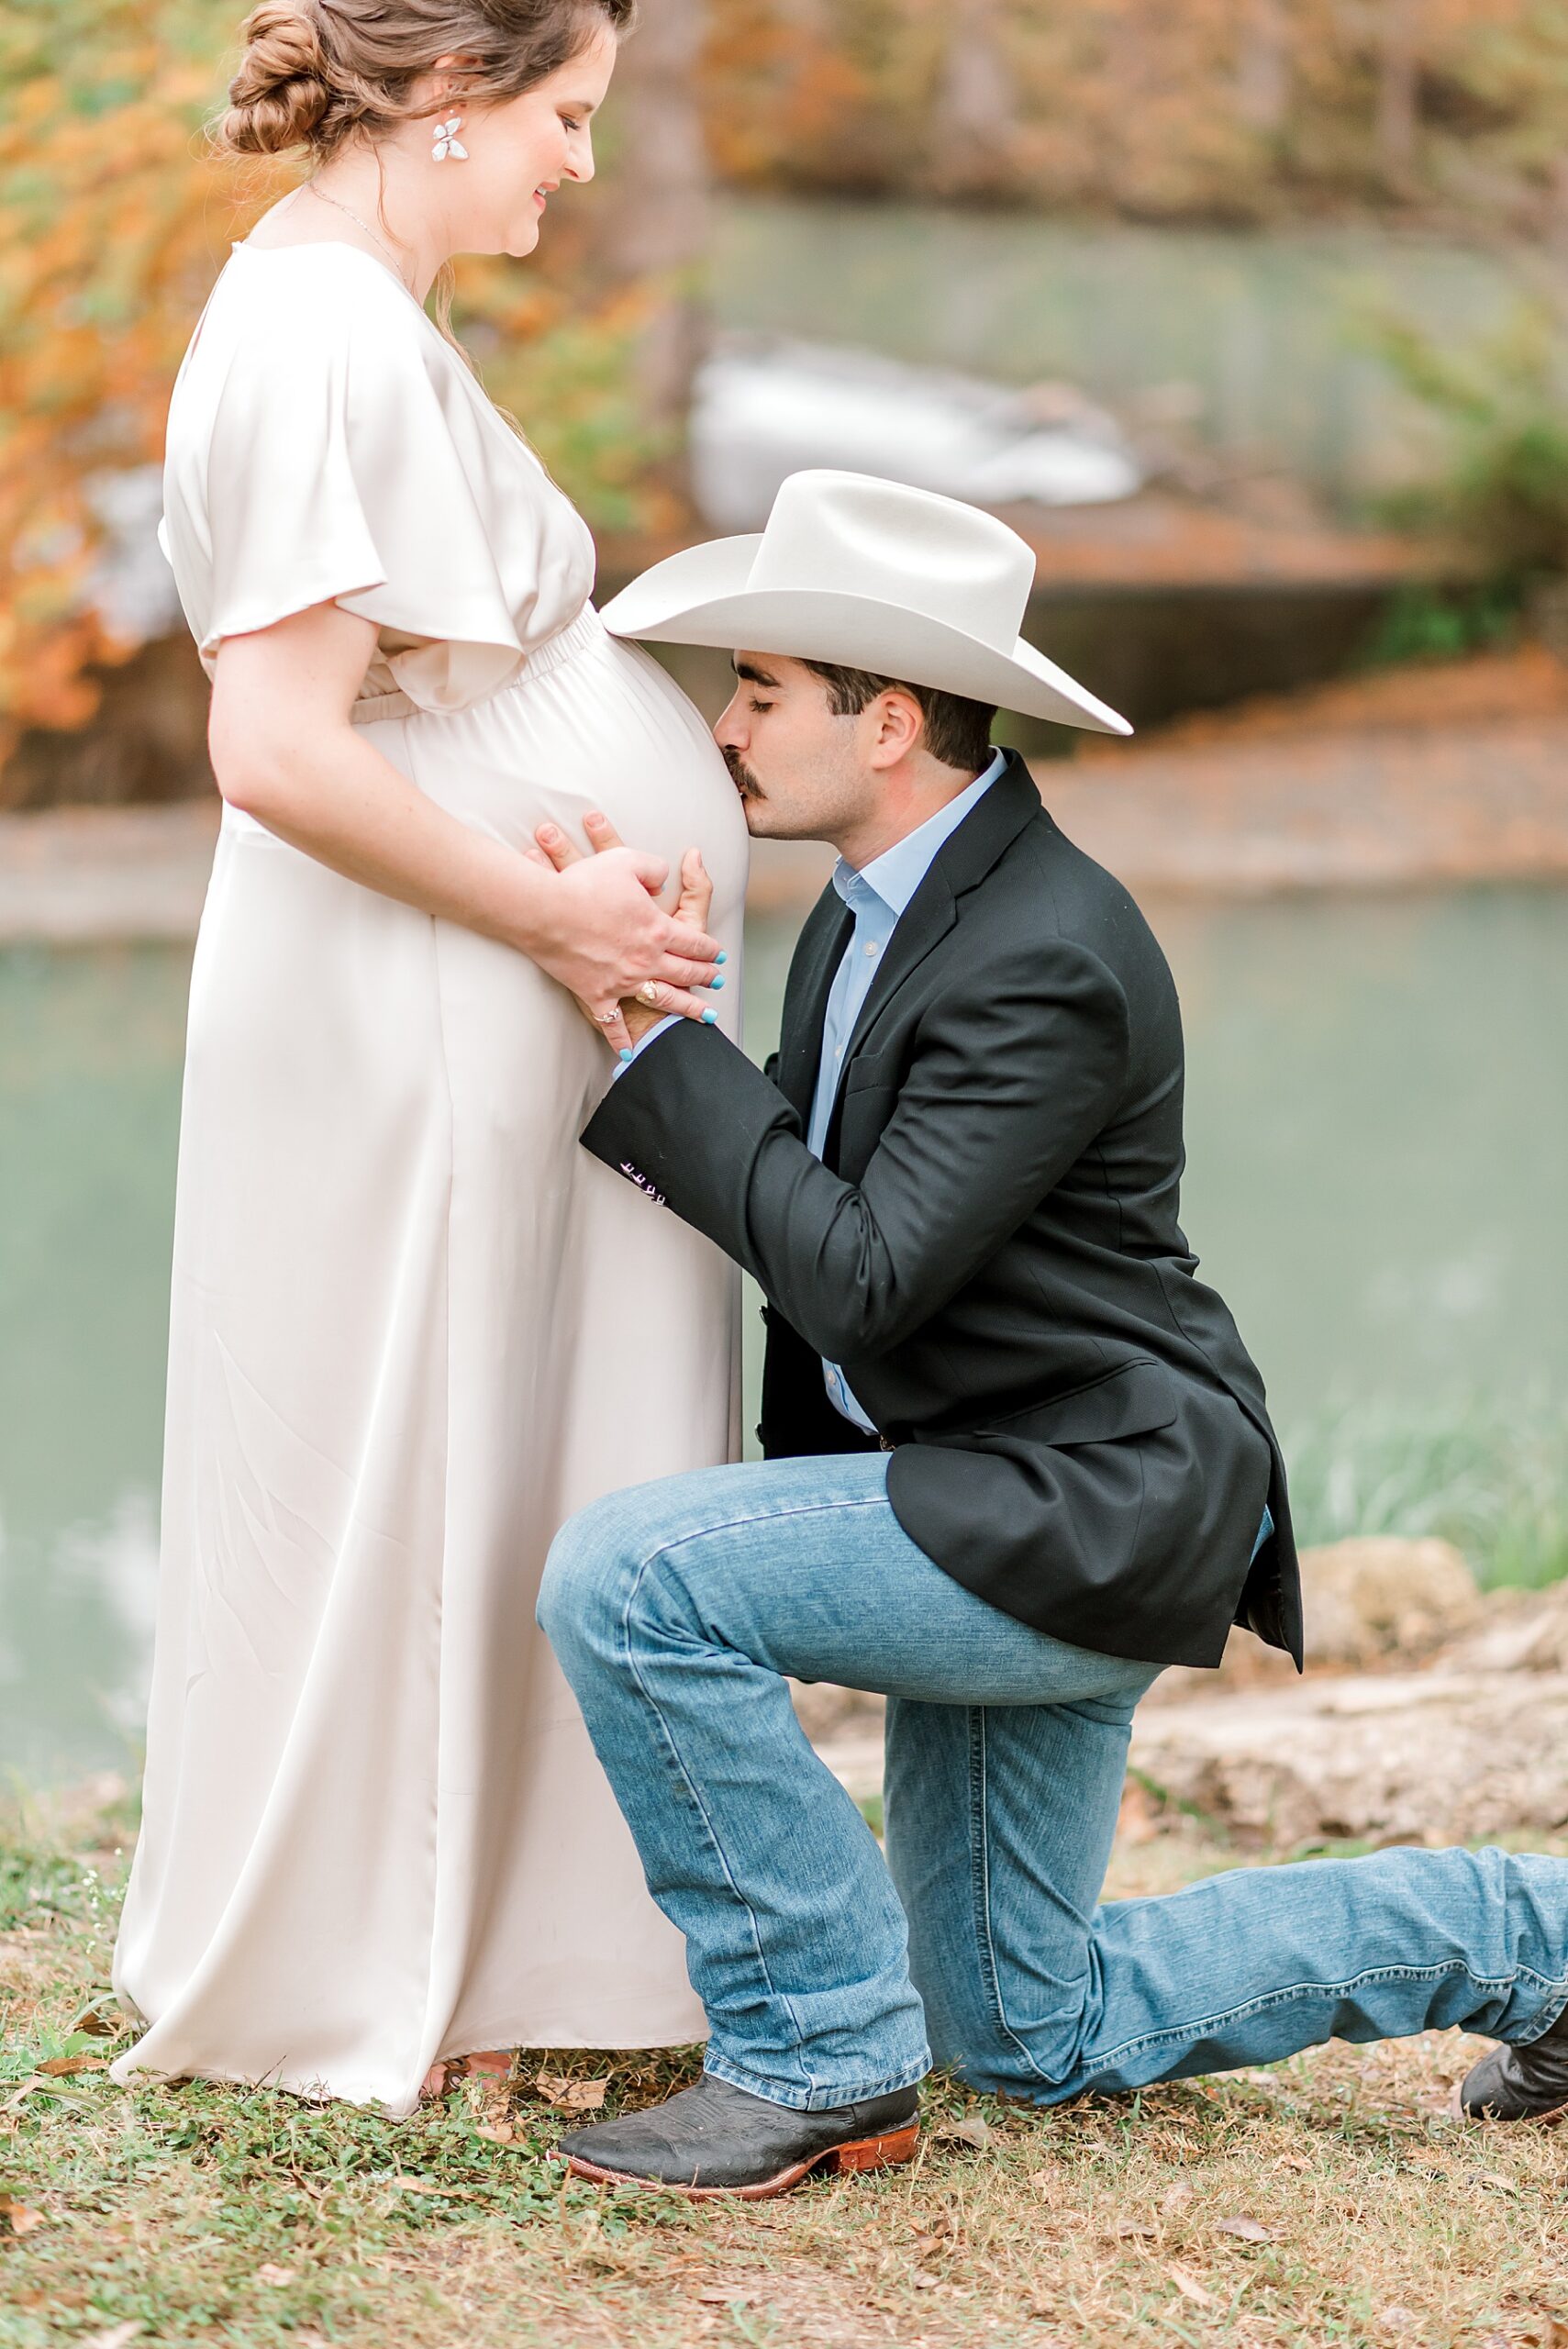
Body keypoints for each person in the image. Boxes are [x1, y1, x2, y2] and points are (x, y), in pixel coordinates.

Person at [536, 469, 1568, 2199]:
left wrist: (654, 1043)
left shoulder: (1041, 949)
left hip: (1087, 1507)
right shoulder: (883, 908)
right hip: (991, 1482)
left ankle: (810, 2052)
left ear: (885, 721)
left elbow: (857, 1275)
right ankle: (1543, 1933)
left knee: (628, 1581)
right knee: (1026, 2026)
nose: (725, 726)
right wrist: (683, 1037)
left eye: (762, 692)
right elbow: (806, 1185)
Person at [112, 0, 748, 2115]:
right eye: (567, 115)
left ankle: (512, 1932)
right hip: (427, 977)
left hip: (467, 963)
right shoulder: (316, 334)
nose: (577, 160)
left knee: (520, 1436)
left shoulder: (363, 312)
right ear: (455, 100)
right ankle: (413, 1948)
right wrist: (565, 905)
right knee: (439, 1434)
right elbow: (275, 745)